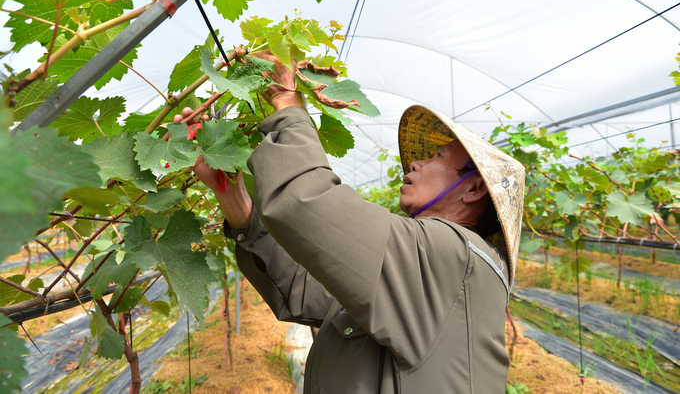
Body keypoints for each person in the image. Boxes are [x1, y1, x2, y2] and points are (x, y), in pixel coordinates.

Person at [181, 53, 525, 393]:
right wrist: (234, 199)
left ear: (475, 188)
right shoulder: (424, 273)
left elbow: (308, 204)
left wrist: (288, 104)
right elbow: (304, 289)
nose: (417, 163)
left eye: (436, 157)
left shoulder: (453, 256)